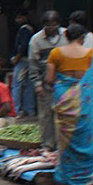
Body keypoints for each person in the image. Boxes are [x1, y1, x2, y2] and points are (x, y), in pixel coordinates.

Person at [43, 24, 93, 185]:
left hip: (64, 100)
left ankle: (66, 178)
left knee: (66, 139)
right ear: (83, 38)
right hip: (86, 102)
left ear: (66, 35)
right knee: (86, 135)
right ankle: (87, 177)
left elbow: (49, 79)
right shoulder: (91, 55)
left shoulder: (56, 53)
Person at [28, 11, 66, 149]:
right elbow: (33, 64)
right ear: (43, 25)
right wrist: (37, 84)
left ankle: (62, 143)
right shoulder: (36, 40)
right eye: (48, 25)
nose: (51, 28)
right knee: (46, 116)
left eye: (54, 25)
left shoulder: (66, 36)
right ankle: (48, 144)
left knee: (64, 114)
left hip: (65, 83)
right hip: (46, 84)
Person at [10, 10, 36, 118]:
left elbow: (23, 46)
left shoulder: (24, 30)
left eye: (18, 18)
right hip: (29, 60)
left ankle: (15, 110)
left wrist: (17, 57)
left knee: (17, 84)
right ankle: (30, 110)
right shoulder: (30, 29)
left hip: (23, 60)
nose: (17, 20)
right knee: (29, 85)